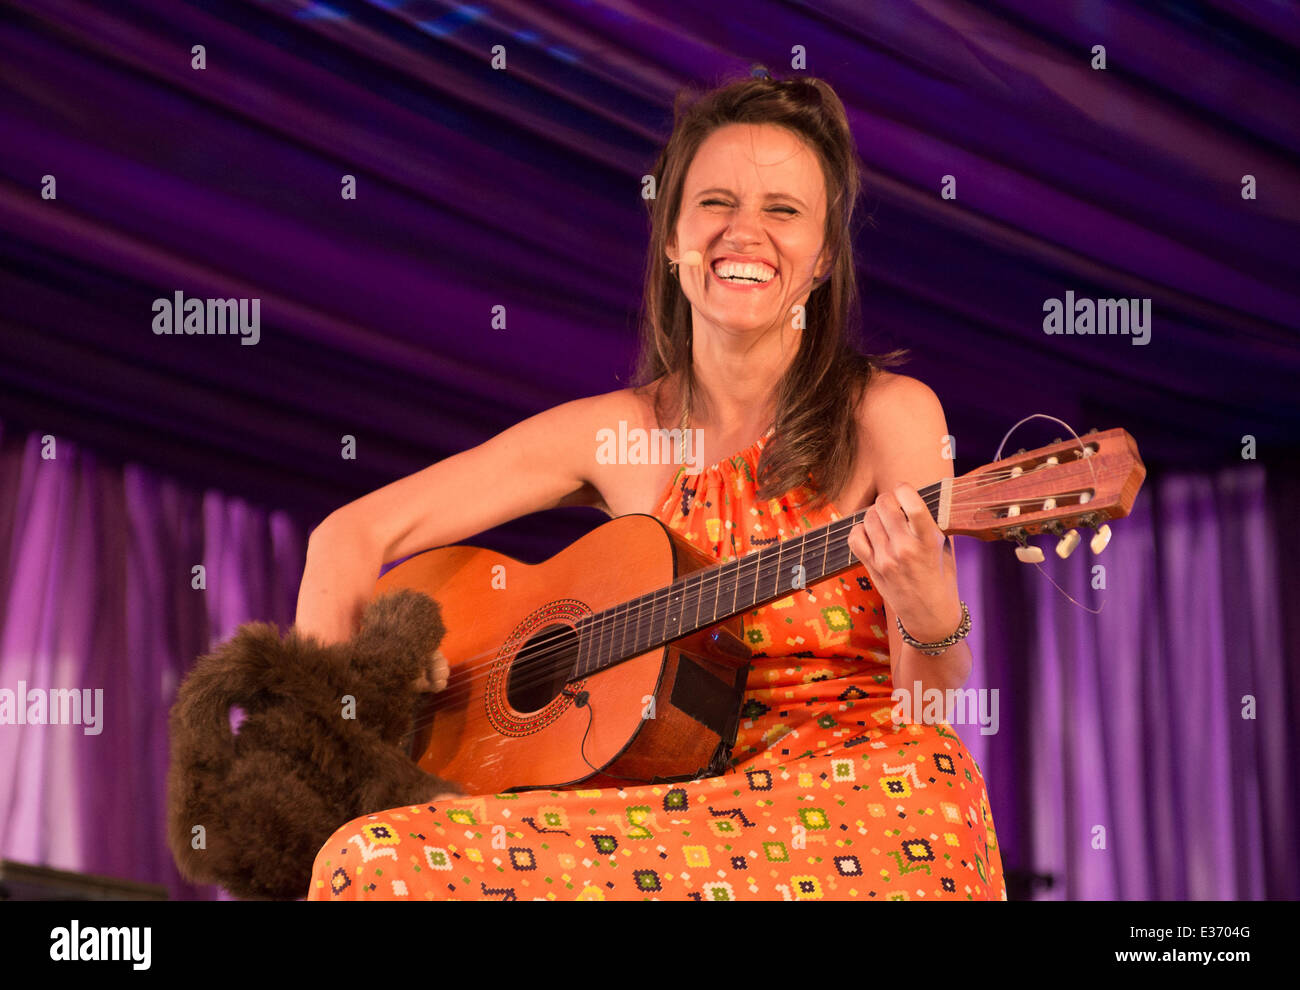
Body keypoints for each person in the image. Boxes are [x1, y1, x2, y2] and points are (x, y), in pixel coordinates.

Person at [298, 72, 1005, 901]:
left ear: (821, 262)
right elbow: (346, 537)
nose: (746, 233)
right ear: (672, 238)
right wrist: (344, 749)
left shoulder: (892, 415)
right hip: (663, 812)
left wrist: (927, 612)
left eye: (784, 210)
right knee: (368, 856)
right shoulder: (615, 432)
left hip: (862, 802)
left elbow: (925, 710)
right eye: (716, 203)